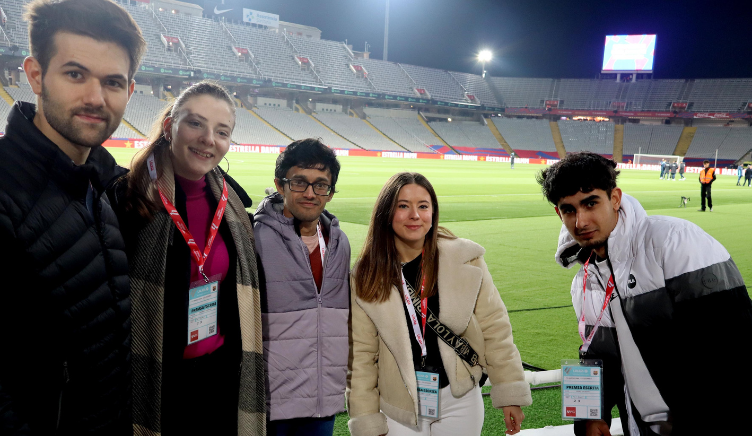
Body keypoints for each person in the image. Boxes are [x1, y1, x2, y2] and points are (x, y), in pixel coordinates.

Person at [0, 1, 145, 434]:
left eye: (113, 82)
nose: (95, 99)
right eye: (75, 74)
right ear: (36, 75)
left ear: (130, 92)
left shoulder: (99, 187)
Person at [536, 152, 752, 436]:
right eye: (569, 209)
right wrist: (591, 416)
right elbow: (597, 355)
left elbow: (735, 345)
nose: (581, 221)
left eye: (591, 203)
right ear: (558, 213)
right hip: (639, 428)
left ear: (615, 198)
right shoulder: (584, 280)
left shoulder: (675, 241)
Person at [109, 81, 265, 435]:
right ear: (169, 127)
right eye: (195, 123)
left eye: (222, 131)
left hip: (220, 376)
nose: (209, 139)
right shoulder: (125, 198)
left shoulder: (234, 206)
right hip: (157, 377)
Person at [347, 172, 531, 436]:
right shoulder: (366, 275)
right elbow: (361, 356)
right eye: (403, 206)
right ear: (386, 213)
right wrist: (366, 418)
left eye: (423, 206)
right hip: (399, 407)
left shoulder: (466, 260)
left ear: (433, 212)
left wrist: (509, 390)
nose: (415, 215)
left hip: (460, 398)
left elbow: (496, 329)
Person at [254, 138, 351, 436]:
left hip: (322, 403)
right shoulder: (254, 238)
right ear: (280, 185)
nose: (310, 193)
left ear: (330, 192)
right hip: (271, 404)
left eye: (321, 185)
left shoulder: (339, 242)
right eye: (299, 182)